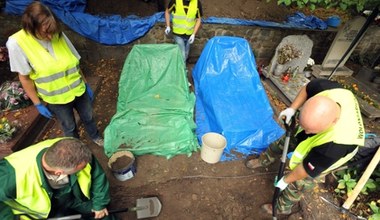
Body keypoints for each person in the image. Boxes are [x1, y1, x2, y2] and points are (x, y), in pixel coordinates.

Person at [245, 78, 365, 215]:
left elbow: (306, 170)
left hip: (328, 155)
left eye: (311, 130)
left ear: (334, 122)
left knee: (300, 183)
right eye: (305, 127)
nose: (306, 132)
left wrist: (285, 180)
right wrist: (292, 108)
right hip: (321, 133)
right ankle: (264, 160)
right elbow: (307, 88)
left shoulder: (335, 146)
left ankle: (282, 207)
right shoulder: (330, 90)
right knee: (284, 142)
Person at [6, 1, 104, 146]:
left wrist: (85, 83)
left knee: (88, 117)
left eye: (53, 31)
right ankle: (75, 148)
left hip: (78, 90)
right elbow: (24, 78)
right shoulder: (16, 43)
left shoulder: (57, 33)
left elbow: (74, 62)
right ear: (31, 28)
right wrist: (37, 103)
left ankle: (95, 136)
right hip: (56, 98)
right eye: (46, 32)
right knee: (69, 126)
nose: (51, 37)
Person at [0, 138, 115, 219]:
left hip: (74, 196)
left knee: (104, 215)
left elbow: (97, 175)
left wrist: (99, 205)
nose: (85, 167)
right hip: (46, 212)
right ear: (59, 173)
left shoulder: (76, 150)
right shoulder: (9, 177)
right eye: (80, 169)